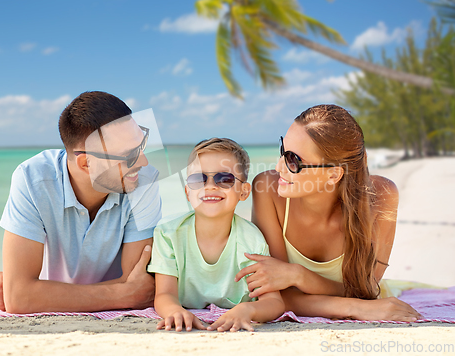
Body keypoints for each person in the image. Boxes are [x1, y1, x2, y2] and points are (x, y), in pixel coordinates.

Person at [235, 104, 422, 322]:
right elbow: (277, 297)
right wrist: (356, 308)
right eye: (282, 152)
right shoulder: (268, 190)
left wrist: (298, 275)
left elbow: (367, 291)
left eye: (293, 160)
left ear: (334, 175)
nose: (278, 167)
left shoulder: (381, 196)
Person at [0, 91, 161, 314]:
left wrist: (37, 293)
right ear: (86, 163)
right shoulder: (32, 178)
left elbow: (142, 286)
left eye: (141, 145)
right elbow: (20, 298)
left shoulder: (144, 182)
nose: (143, 162)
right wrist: (122, 294)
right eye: (129, 155)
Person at [148, 138, 285, 332]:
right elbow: (164, 294)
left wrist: (248, 309)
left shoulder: (252, 239)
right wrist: (174, 310)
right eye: (199, 179)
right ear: (188, 192)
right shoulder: (169, 234)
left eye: (225, 179)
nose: (211, 186)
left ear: (244, 192)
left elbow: (273, 301)